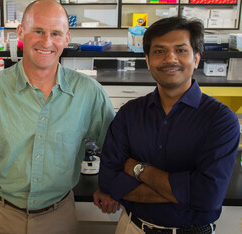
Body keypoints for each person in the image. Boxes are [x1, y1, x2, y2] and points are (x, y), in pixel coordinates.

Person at [0, 0, 115, 233]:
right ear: (21, 32)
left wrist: (109, 187)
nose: (47, 42)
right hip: (0, 216)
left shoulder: (88, 92)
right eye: (38, 31)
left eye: (55, 33)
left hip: (58, 216)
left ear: (66, 38)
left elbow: (114, 146)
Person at [94, 17, 240, 234]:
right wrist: (184, 191)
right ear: (147, 59)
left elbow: (207, 197)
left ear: (197, 58)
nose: (170, 59)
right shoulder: (129, 114)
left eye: (181, 50)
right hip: (133, 228)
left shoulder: (220, 120)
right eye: (159, 51)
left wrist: (137, 169)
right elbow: (110, 182)